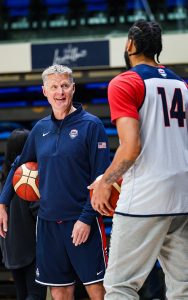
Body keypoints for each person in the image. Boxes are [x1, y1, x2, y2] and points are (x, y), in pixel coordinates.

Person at [89, 20, 188, 299]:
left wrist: (105, 181)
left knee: (120, 286)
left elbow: (130, 147)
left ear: (130, 44)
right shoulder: (182, 84)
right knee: (183, 286)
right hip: (183, 195)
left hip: (146, 196)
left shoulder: (125, 82)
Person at [0, 64, 110, 300]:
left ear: (73, 88)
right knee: (59, 292)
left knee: (97, 289)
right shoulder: (39, 129)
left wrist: (86, 219)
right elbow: (18, 165)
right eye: (54, 87)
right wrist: (3, 202)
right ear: (44, 91)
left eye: (64, 86)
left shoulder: (92, 126)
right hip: (48, 224)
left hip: (82, 222)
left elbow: (101, 180)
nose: (60, 92)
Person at [0, 128, 47, 300]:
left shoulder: (3, 177)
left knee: (22, 294)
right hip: (31, 247)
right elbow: (37, 211)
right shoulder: (29, 177)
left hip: (9, 248)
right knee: (35, 295)